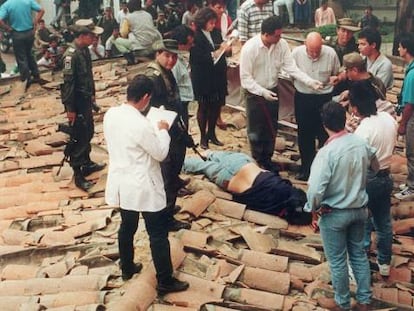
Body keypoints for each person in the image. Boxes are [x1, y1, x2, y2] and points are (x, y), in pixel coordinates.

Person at [103, 74, 189, 294]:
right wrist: (161, 130)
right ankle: (165, 280)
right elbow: (160, 153)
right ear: (145, 98)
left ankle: (127, 266)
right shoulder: (141, 124)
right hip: (142, 183)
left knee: (127, 226)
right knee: (158, 233)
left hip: (122, 181)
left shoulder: (111, 114)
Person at [305, 101, 377, 311]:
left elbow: (315, 190)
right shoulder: (360, 143)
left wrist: (313, 210)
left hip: (334, 213)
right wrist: (362, 181)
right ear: (344, 119)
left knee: (337, 261)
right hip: (359, 210)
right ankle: (364, 300)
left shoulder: (327, 153)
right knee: (358, 255)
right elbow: (376, 165)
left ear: (324, 124)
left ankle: (343, 303)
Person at [240, 16, 323, 172]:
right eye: (277, 35)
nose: (280, 38)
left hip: (272, 89)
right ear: (266, 34)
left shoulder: (282, 45)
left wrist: (309, 81)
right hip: (254, 93)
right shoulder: (250, 48)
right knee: (256, 129)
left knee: (271, 127)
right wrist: (262, 92)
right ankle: (258, 161)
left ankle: (268, 159)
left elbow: (291, 68)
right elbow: (245, 79)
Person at [183, 151, 312, 225]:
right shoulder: (271, 209)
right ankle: (181, 160)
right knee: (198, 165)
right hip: (227, 178)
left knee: (216, 155)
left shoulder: (284, 188)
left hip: (242, 162)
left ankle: (209, 153)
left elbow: (301, 196)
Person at [349, 80, 397, 277]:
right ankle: (384, 261)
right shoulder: (388, 118)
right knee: (383, 221)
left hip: (369, 178)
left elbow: (357, 159)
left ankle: (362, 254)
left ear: (356, 108)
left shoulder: (364, 129)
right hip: (386, 175)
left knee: (361, 219)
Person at [145, 39, 192, 232]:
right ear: (158, 54)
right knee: (168, 174)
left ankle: (168, 209)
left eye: (174, 57)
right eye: (167, 56)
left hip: (172, 127)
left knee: (173, 172)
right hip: (162, 130)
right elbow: (151, 109)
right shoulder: (153, 77)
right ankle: (165, 217)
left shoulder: (165, 73)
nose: (171, 60)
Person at [60, 19, 106, 191]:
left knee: (88, 132)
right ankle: (78, 174)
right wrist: (70, 109)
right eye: (92, 35)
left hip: (85, 100)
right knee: (79, 137)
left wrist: (93, 95)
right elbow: (68, 85)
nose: (95, 38)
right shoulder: (71, 56)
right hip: (76, 102)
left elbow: (88, 75)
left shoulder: (84, 51)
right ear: (83, 35)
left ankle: (86, 163)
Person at [291, 32, 340, 181]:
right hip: (303, 97)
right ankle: (306, 168)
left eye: (317, 50)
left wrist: (335, 79)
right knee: (305, 134)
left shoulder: (330, 53)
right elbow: (290, 73)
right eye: (311, 50)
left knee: (325, 133)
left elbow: (337, 73)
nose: (314, 54)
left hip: (324, 98)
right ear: (305, 45)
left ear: (322, 46)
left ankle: (324, 171)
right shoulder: (296, 53)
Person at [190, 7, 231, 149]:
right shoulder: (195, 36)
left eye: (214, 22)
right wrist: (217, 52)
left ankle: (212, 134)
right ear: (203, 21)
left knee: (216, 105)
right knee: (204, 107)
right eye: (211, 23)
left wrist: (227, 50)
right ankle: (203, 137)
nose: (213, 25)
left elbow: (223, 51)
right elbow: (197, 57)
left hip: (217, 75)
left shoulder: (216, 33)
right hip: (203, 76)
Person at [0, 0, 45, 87]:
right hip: (29, 32)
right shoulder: (28, 1)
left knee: (21, 58)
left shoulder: (7, 4)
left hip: (17, 34)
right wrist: (35, 22)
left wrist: (7, 28)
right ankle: (36, 75)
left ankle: (26, 79)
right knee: (29, 54)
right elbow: (42, 10)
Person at [395, 33, 414, 201]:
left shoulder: (412, 74)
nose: (398, 49)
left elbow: (409, 104)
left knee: (411, 152)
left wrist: (402, 123)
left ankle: (412, 186)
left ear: (406, 49)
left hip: (412, 117)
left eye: (400, 46)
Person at [209, 0, 232, 130]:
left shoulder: (226, 19)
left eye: (223, 7)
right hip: (208, 60)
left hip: (221, 58)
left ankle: (218, 116)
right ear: (211, 6)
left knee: (221, 90)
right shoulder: (204, 19)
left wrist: (228, 46)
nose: (221, 10)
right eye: (218, 7)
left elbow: (227, 38)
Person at [171, 25, 195, 129]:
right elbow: (173, 85)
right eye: (189, 44)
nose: (191, 46)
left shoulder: (183, 57)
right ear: (180, 45)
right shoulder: (174, 63)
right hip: (179, 102)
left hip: (185, 101)